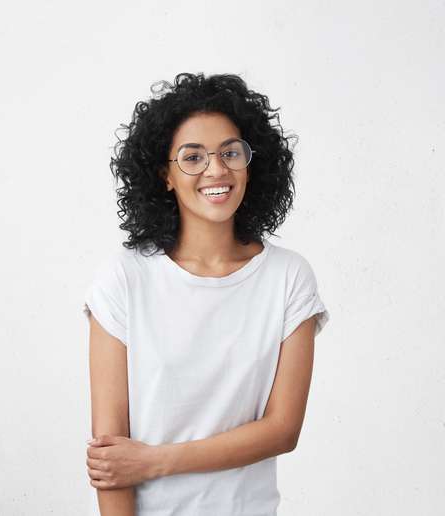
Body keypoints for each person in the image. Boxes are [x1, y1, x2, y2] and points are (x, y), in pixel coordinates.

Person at [81, 72, 329, 516]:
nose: (216, 170)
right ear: (165, 175)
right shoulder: (123, 279)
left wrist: (154, 462)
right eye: (192, 157)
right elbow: (110, 457)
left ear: (251, 164)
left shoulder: (288, 277)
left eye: (230, 153)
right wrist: (135, 466)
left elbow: (282, 430)